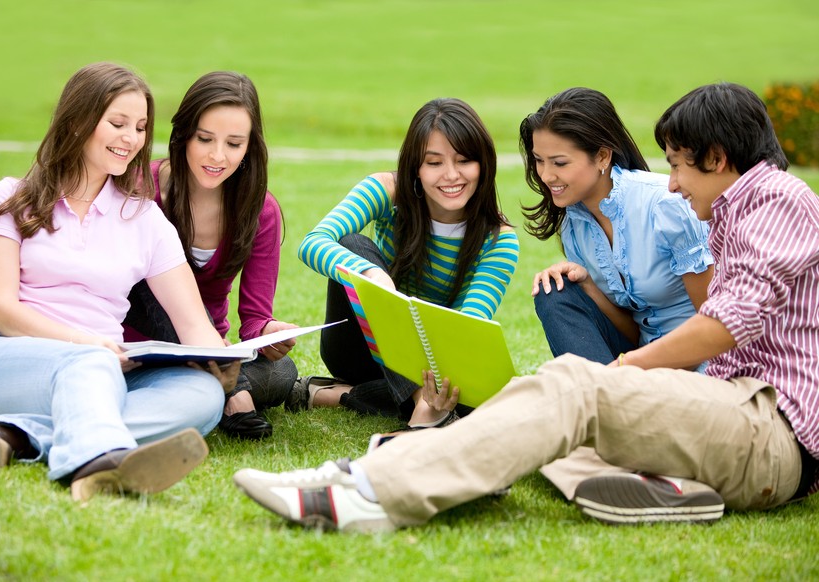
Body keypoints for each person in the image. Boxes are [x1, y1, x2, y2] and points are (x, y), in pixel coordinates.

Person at [232, 82, 819, 531]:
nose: (670, 182)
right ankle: (662, 486)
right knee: (556, 397)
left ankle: (370, 492)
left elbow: (722, 322)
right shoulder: (734, 212)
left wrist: (617, 374)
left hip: (769, 425)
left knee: (576, 388)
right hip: (732, 412)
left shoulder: (779, 201)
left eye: (679, 163)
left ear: (716, 157)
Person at [0, 62, 230, 502]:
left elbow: (194, 324)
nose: (131, 138)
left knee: (200, 394)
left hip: (104, 369)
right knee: (89, 365)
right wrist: (84, 345)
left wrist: (227, 360)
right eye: (117, 123)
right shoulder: (12, 197)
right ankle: (101, 462)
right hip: (6, 363)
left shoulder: (144, 218)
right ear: (79, 120)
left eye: (140, 127)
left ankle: (22, 436)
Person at [521, 88, 714, 499]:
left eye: (559, 162)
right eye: (539, 161)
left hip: (696, 362)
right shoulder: (574, 223)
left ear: (603, 157)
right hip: (637, 361)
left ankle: (613, 426)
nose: (546, 175)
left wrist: (639, 369)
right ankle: (613, 424)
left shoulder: (665, 205)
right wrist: (587, 285)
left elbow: (715, 320)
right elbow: (634, 323)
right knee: (556, 291)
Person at [290, 98, 520, 428]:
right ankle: (421, 406)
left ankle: (336, 395)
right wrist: (374, 278)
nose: (451, 175)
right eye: (435, 162)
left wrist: (437, 381)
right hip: (360, 347)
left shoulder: (498, 239)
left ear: (483, 164)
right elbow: (313, 242)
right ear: (416, 166)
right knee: (354, 245)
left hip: (432, 363)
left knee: (481, 405)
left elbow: (469, 325)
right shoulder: (388, 190)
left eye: (464, 160)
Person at [122, 71, 298, 440]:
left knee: (283, 375)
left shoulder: (260, 212)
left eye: (234, 144)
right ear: (184, 134)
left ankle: (220, 379)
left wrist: (269, 332)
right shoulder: (140, 191)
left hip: (212, 347)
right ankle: (231, 391)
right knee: (154, 286)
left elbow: (253, 319)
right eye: (205, 139)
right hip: (137, 345)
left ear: (250, 147)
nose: (217, 156)